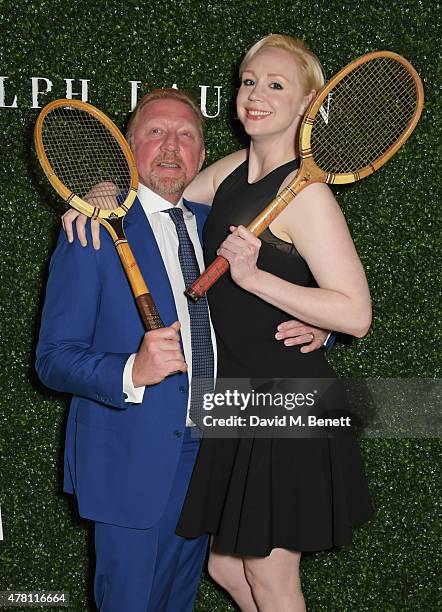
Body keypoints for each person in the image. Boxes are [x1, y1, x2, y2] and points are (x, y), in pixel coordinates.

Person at [37, 87, 329, 612]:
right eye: (155, 133)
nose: (171, 147)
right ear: (128, 148)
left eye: (186, 135)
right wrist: (132, 369)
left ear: (200, 155)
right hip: (132, 463)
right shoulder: (94, 230)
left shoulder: (212, 225)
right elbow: (53, 357)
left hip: (213, 454)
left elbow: (256, 306)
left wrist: (318, 327)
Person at [173, 35, 374, 612]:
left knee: (271, 576)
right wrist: (105, 191)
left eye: (275, 85)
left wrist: (256, 279)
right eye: (249, 81)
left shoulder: (306, 194)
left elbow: (355, 312)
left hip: (287, 397)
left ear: (309, 105)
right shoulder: (234, 171)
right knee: (224, 564)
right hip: (239, 397)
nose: (255, 95)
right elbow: (163, 196)